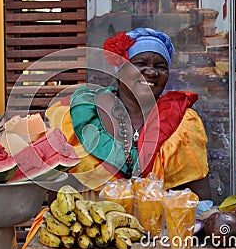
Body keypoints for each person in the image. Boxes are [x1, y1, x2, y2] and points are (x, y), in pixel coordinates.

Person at [45, 27, 211, 200]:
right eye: (140, 64)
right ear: (120, 70)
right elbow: (58, 197)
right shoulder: (80, 116)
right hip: (89, 224)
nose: (152, 72)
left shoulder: (183, 124)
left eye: (160, 67)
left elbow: (201, 199)